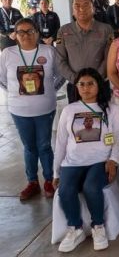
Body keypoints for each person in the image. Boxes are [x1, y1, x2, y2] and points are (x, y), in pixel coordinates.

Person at [52, 68, 119, 252]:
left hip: (100, 161)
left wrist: (113, 160)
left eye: (90, 84)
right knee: (65, 190)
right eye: (81, 84)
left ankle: (98, 226)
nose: (86, 88)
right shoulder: (69, 110)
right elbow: (60, 142)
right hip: (72, 162)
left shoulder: (112, 109)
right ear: (76, 87)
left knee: (91, 187)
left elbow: (118, 137)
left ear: (99, 86)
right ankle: (75, 229)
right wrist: (56, 172)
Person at [0, 18, 64, 201]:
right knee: (29, 147)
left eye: (30, 31)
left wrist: (50, 91)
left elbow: (61, 76)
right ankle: (32, 182)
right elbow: (1, 79)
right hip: (19, 111)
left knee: (44, 146)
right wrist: (15, 93)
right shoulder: (8, 53)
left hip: (45, 108)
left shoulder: (49, 51)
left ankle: (49, 180)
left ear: (37, 33)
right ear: (15, 35)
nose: (25, 35)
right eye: (21, 32)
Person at [55, 0, 113, 103]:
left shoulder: (106, 29)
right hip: (75, 85)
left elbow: (109, 58)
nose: (81, 9)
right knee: (76, 113)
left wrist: (95, 79)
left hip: (100, 83)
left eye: (86, 5)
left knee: (102, 112)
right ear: (73, 11)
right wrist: (77, 80)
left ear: (93, 9)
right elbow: (60, 60)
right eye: (77, 6)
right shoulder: (63, 31)